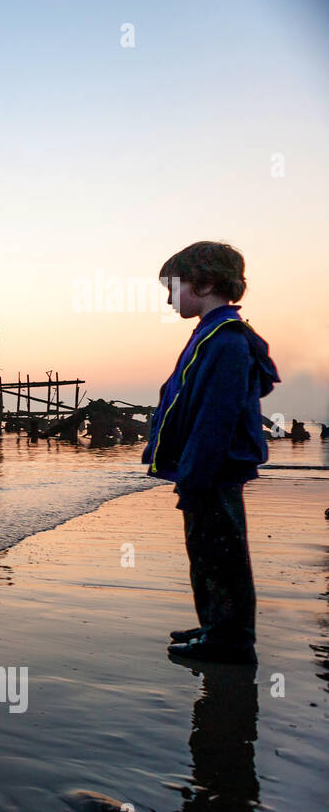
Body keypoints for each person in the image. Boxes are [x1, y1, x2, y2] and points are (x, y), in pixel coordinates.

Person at [143, 242, 280, 663]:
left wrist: (196, 476)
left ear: (201, 285)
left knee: (219, 554)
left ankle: (230, 641)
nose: (169, 301)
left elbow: (215, 418)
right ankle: (217, 625)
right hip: (209, 468)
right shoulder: (216, 333)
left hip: (213, 469)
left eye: (173, 289)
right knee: (207, 551)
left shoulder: (226, 340)